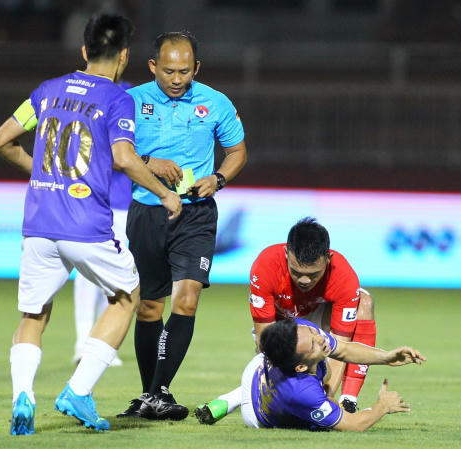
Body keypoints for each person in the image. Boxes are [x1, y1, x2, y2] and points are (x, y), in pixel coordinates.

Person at [0, 14, 182, 435]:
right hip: (84, 225)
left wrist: (43, 172)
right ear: (124, 55)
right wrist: (165, 193)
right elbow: (124, 157)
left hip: (38, 225)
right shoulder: (117, 98)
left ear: (84, 50)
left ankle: (23, 395)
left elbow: (0, 140)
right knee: (127, 295)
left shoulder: (46, 91)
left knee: (34, 314)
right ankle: (78, 390)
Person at [116, 30, 247, 421]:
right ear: (153, 66)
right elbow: (111, 152)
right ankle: (151, 395)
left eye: (184, 71)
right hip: (147, 212)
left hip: (196, 214)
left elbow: (237, 152)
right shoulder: (130, 101)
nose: (176, 79)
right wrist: (148, 162)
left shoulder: (216, 102)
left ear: (197, 68)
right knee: (149, 307)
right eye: (169, 71)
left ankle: (157, 392)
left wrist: (218, 179)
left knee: (186, 299)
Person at [196, 217, 377, 421]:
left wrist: (328, 397)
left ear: (328, 259)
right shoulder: (266, 265)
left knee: (364, 302)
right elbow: (264, 343)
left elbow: (340, 348)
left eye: (314, 274)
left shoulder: (343, 275)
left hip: (318, 318)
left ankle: (348, 401)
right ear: (286, 254)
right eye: (296, 272)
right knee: (283, 366)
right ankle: (230, 401)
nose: (304, 280)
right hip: (282, 326)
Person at [195, 319, 426, 431]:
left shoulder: (300, 333)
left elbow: (344, 349)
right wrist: (382, 406)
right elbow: (354, 425)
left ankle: (223, 403)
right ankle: (230, 402)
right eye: (314, 345)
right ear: (300, 368)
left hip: (255, 369)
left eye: (313, 334)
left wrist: (387, 357)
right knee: (327, 419)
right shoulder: (302, 392)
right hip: (255, 413)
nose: (321, 339)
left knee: (326, 376)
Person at [72, 170, 130, 367]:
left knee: (115, 276)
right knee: (88, 275)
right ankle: (83, 342)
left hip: (131, 205)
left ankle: (102, 343)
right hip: (95, 201)